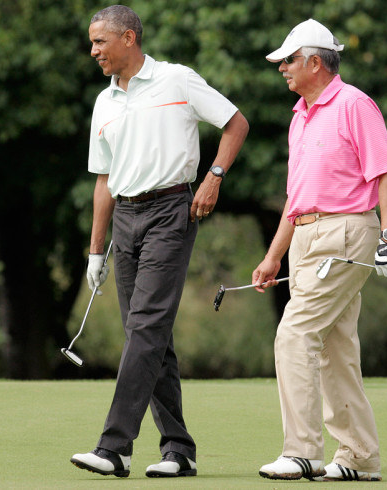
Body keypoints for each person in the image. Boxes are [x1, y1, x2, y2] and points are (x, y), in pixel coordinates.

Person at [70, 5, 249, 479]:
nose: (93, 52)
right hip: (125, 217)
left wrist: (214, 177)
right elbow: (104, 181)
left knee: (146, 327)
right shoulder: (104, 102)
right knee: (149, 336)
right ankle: (179, 449)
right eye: (92, 43)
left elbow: (236, 123)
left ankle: (115, 448)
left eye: (100, 42)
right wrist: (94, 249)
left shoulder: (177, 80)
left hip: (172, 210)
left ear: (128, 38)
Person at [251, 18, 387, 482]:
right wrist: (273, 256)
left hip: (345, 233)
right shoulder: (300, 116)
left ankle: (302, 452)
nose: (282, 69)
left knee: (294, 334)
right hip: (305, 238)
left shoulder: (354, 104)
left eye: (289, 61)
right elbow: (296, 201)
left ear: (315, 62)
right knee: (333, 348)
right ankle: (359, 455)